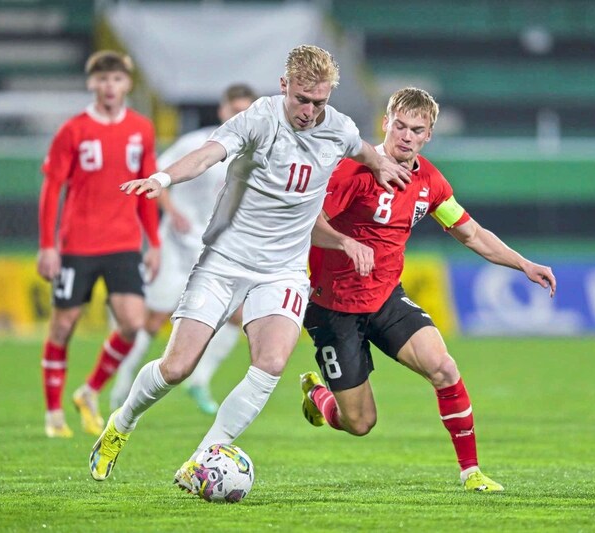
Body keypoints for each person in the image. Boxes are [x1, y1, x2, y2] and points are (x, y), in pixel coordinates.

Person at [88, 45, 411, 492]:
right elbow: (206, 153)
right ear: (285, 87)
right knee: (177, 366)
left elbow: (363, 151)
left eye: (319, 101)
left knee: (272, 362)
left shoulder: (337, 128)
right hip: (225, 262)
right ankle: (120, 424)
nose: (310, 111)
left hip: (283, 270)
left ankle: (201, 459)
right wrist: (162, 179)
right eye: (302, 99)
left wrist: (383, 164)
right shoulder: (259, 119)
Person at [300, 87, 557, 491]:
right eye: (398, 125)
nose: (405, 135)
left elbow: (470, 233)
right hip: (333, 307)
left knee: (444, 367)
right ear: (385, 123)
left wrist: (523, 263)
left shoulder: (430, 182)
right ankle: (320, 398)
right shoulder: (353, 171)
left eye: (415, 130)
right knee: (360, 423)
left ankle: (471, 472)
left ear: (428, 135)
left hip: (385, 298)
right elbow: (306, 222)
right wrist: (347, 242)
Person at [109, 84, 258, 415]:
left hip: (221, 251)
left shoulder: (256, 151)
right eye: (234, 110)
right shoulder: (198, 143)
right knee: (153, 319)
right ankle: (122, 381)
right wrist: (173, 212)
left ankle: (199, 381)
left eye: (245, 111)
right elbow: (159, 178)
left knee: (237, 315)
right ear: (222, 111)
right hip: (179, 246)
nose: (239, 116)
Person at [37, 50, 160, 438]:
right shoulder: (72, 130)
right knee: (63, 325)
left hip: (124, 242)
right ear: (92, 83)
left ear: (128, 84)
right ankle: (54, 414)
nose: (110, 86)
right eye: (103, 79)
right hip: (78, 244)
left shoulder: (142, 128)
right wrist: (47, 245)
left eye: (117, 79)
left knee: (132, 323)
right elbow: (51, 188)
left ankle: (89, 392)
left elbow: (146, 189)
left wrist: (153, 242)